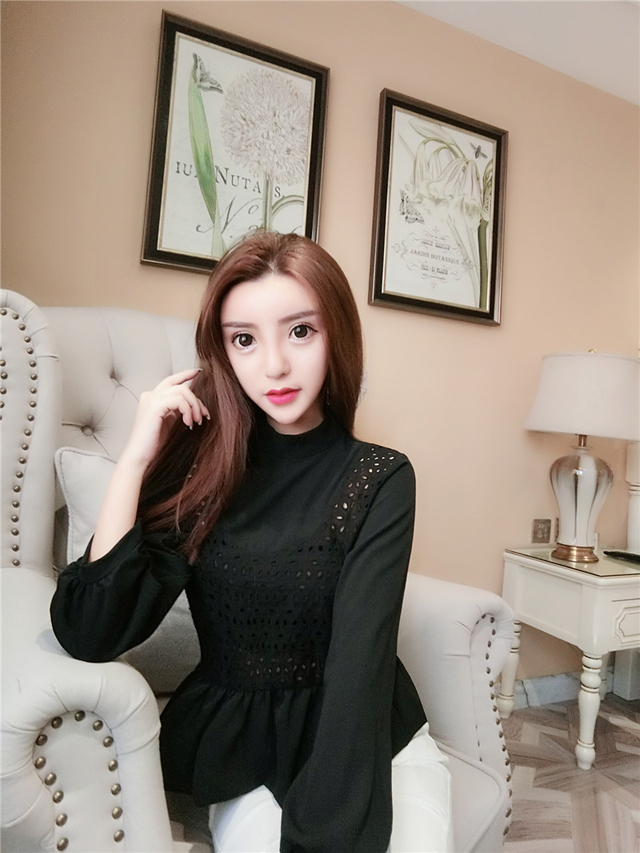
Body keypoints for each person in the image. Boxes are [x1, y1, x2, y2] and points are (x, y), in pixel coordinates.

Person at [51, 232, 452, 853]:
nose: (275, 366)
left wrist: (326, 835)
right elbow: (90, 631)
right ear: (223, 352)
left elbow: (359, 664)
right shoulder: (203, 473)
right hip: (243, 742)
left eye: (300, 331)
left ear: (337, 336)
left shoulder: (380, 477)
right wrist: (133, 461)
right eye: (244, 339)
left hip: (368, 730)